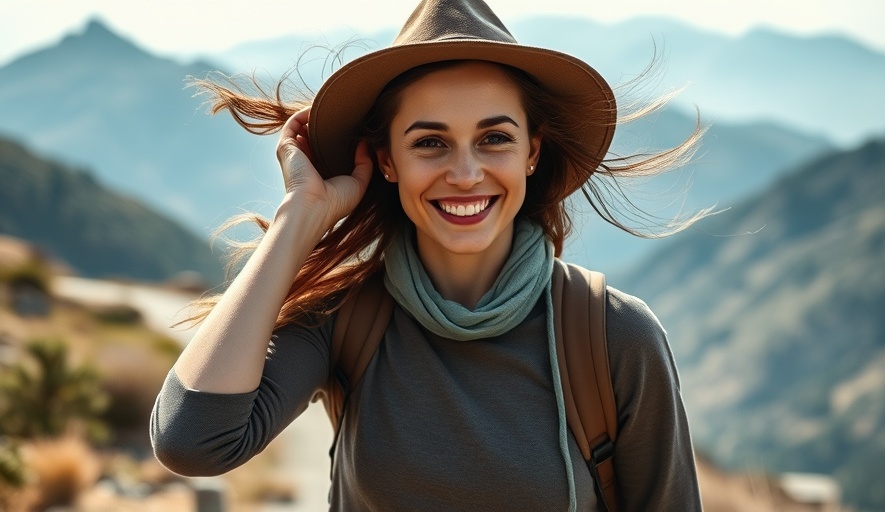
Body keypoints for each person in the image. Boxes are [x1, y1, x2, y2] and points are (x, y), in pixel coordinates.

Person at [151, 0, 707, 510]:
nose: (465, 175)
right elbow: (192, 442)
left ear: (531, 153)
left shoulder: (614, 335)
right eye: (429, 142)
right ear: (387, 161)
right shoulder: (347, 321)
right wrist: (300, 217)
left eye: (495, 138)